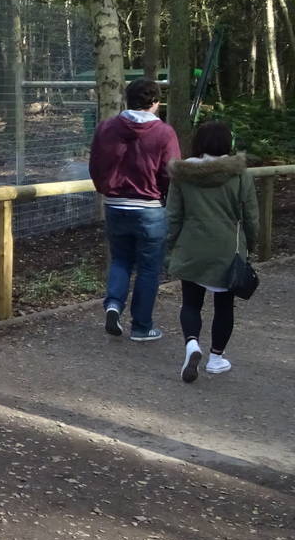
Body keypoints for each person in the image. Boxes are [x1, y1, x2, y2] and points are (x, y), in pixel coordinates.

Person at [88, 77, 181, 341]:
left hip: (116, 205)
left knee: (120, 259)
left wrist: (104, 188)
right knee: (149, 268)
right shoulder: (164, 133)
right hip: (150, 207)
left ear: (127, 100)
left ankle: (114, 304)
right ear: (155, 102)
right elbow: (171, 171)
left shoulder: (107, 127)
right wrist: (161, 193)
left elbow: (95, 163)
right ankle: (141, 327)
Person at [165, 120, 257, 382]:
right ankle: (216, 358)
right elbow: (250, 216)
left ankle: (192, 344)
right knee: (224, 305)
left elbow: (173, 216)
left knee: (191, 302)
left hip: (192, 246)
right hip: (228, 248)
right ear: (227, 143)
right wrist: (250, 244)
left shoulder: (182, 174)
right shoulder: (240, 175)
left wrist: (170, 246)